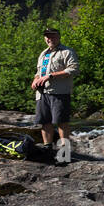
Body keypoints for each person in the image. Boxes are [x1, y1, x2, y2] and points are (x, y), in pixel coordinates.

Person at [31, 28, 79, 162]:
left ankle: (65, 153)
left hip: (60, 93)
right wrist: (35, 80)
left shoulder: (67, 52)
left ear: (59, 37)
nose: (49, 39)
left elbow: (74, 69)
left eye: (52, 36)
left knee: (61, 122)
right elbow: (38, 73)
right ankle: (48, 149)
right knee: (45, 122)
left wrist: (50, 76)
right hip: (42, 93)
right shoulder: (43, 54)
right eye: (47, 36)